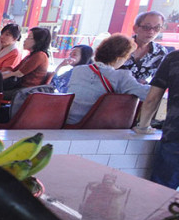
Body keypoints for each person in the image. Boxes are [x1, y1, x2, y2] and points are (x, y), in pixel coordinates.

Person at [65, 34, 149, 125]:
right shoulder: (120, 76)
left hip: (68, 122)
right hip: (93, 126)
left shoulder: (78, 70)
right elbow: (146, 95)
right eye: (127, 57)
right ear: (118, 58)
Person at [135, 50, 179, 189]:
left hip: (175, 134)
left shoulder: (174, 58)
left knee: (161, 192)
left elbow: (152, 99)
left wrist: (143, 126)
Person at [119, 10, 172, 84]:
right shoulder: (119, 46)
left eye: (157, 28)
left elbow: (159, 80)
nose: (151, 31)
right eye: (147, 27)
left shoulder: (160, 52)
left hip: (141, 92)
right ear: (135, 28)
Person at [1, 26, 51, 98]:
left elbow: (19, 73)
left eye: (28, 38)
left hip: (26, 91)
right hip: (19, 87)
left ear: (38, 41)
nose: (24, 40)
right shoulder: (30, 56)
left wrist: (1, 76)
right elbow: (14, 70)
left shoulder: (40, 56)